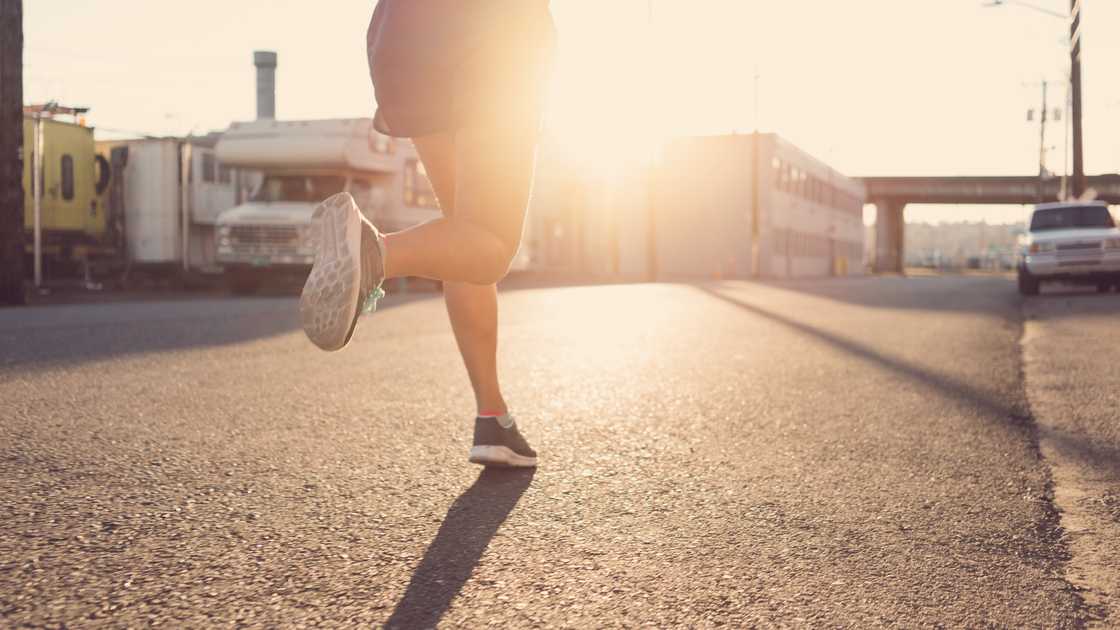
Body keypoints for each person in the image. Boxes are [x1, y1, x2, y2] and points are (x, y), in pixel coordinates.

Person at [298, 0, 556, 468]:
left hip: (407, 35)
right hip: (493, 34)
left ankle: (492, 417)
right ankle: (376, 254)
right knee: (490, 241)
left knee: (464, 230)